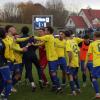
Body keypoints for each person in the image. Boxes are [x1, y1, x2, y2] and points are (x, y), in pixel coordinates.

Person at [35, 26, 62, 93]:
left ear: (49, 31)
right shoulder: (50, 37)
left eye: (46, 30)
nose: (45, 32)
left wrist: (32, 37)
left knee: (53, 73)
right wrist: (35, 44)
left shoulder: (48, 36)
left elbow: (39, 38)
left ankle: (59, 87)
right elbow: (42, 43)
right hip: (51, 58)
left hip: (52, 59)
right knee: (51, 73)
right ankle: (55, 86)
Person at [20, 26, 43, 92]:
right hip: (33, 55)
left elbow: (20, 49)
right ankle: (41, 79)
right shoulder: (31, 37)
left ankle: (33, 84)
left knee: (29, 70)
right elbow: (35, 46)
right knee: (38, 67)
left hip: (26, 56)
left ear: (22, 31)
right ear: (28, 31)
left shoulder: (20, 39)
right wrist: (33, 49)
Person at [84, 31, 100, 98]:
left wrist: (85, 63)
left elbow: (88, 55)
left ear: (95, 36)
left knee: (93, 78)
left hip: (97, 64)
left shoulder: (92, 44)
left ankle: (97, 94)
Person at [65, 30, 80, 96]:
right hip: (76, 61)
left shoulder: (68, 42)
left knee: (70, 76)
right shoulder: (74, 41)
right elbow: (79, 52)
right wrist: (79, 60)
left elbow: (70, 53)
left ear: (65, 36)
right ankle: (78, 89)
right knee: (75, 76)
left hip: (72, 62)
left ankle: (73, 92)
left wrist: (69, 63)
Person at [0, 28, 12, 100]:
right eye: (5, 33)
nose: (6, 34)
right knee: (9, 81)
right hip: (3, 64)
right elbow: (5, 55)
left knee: (2, 81)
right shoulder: (1, 42)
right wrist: (12, 59)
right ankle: (5, 98)